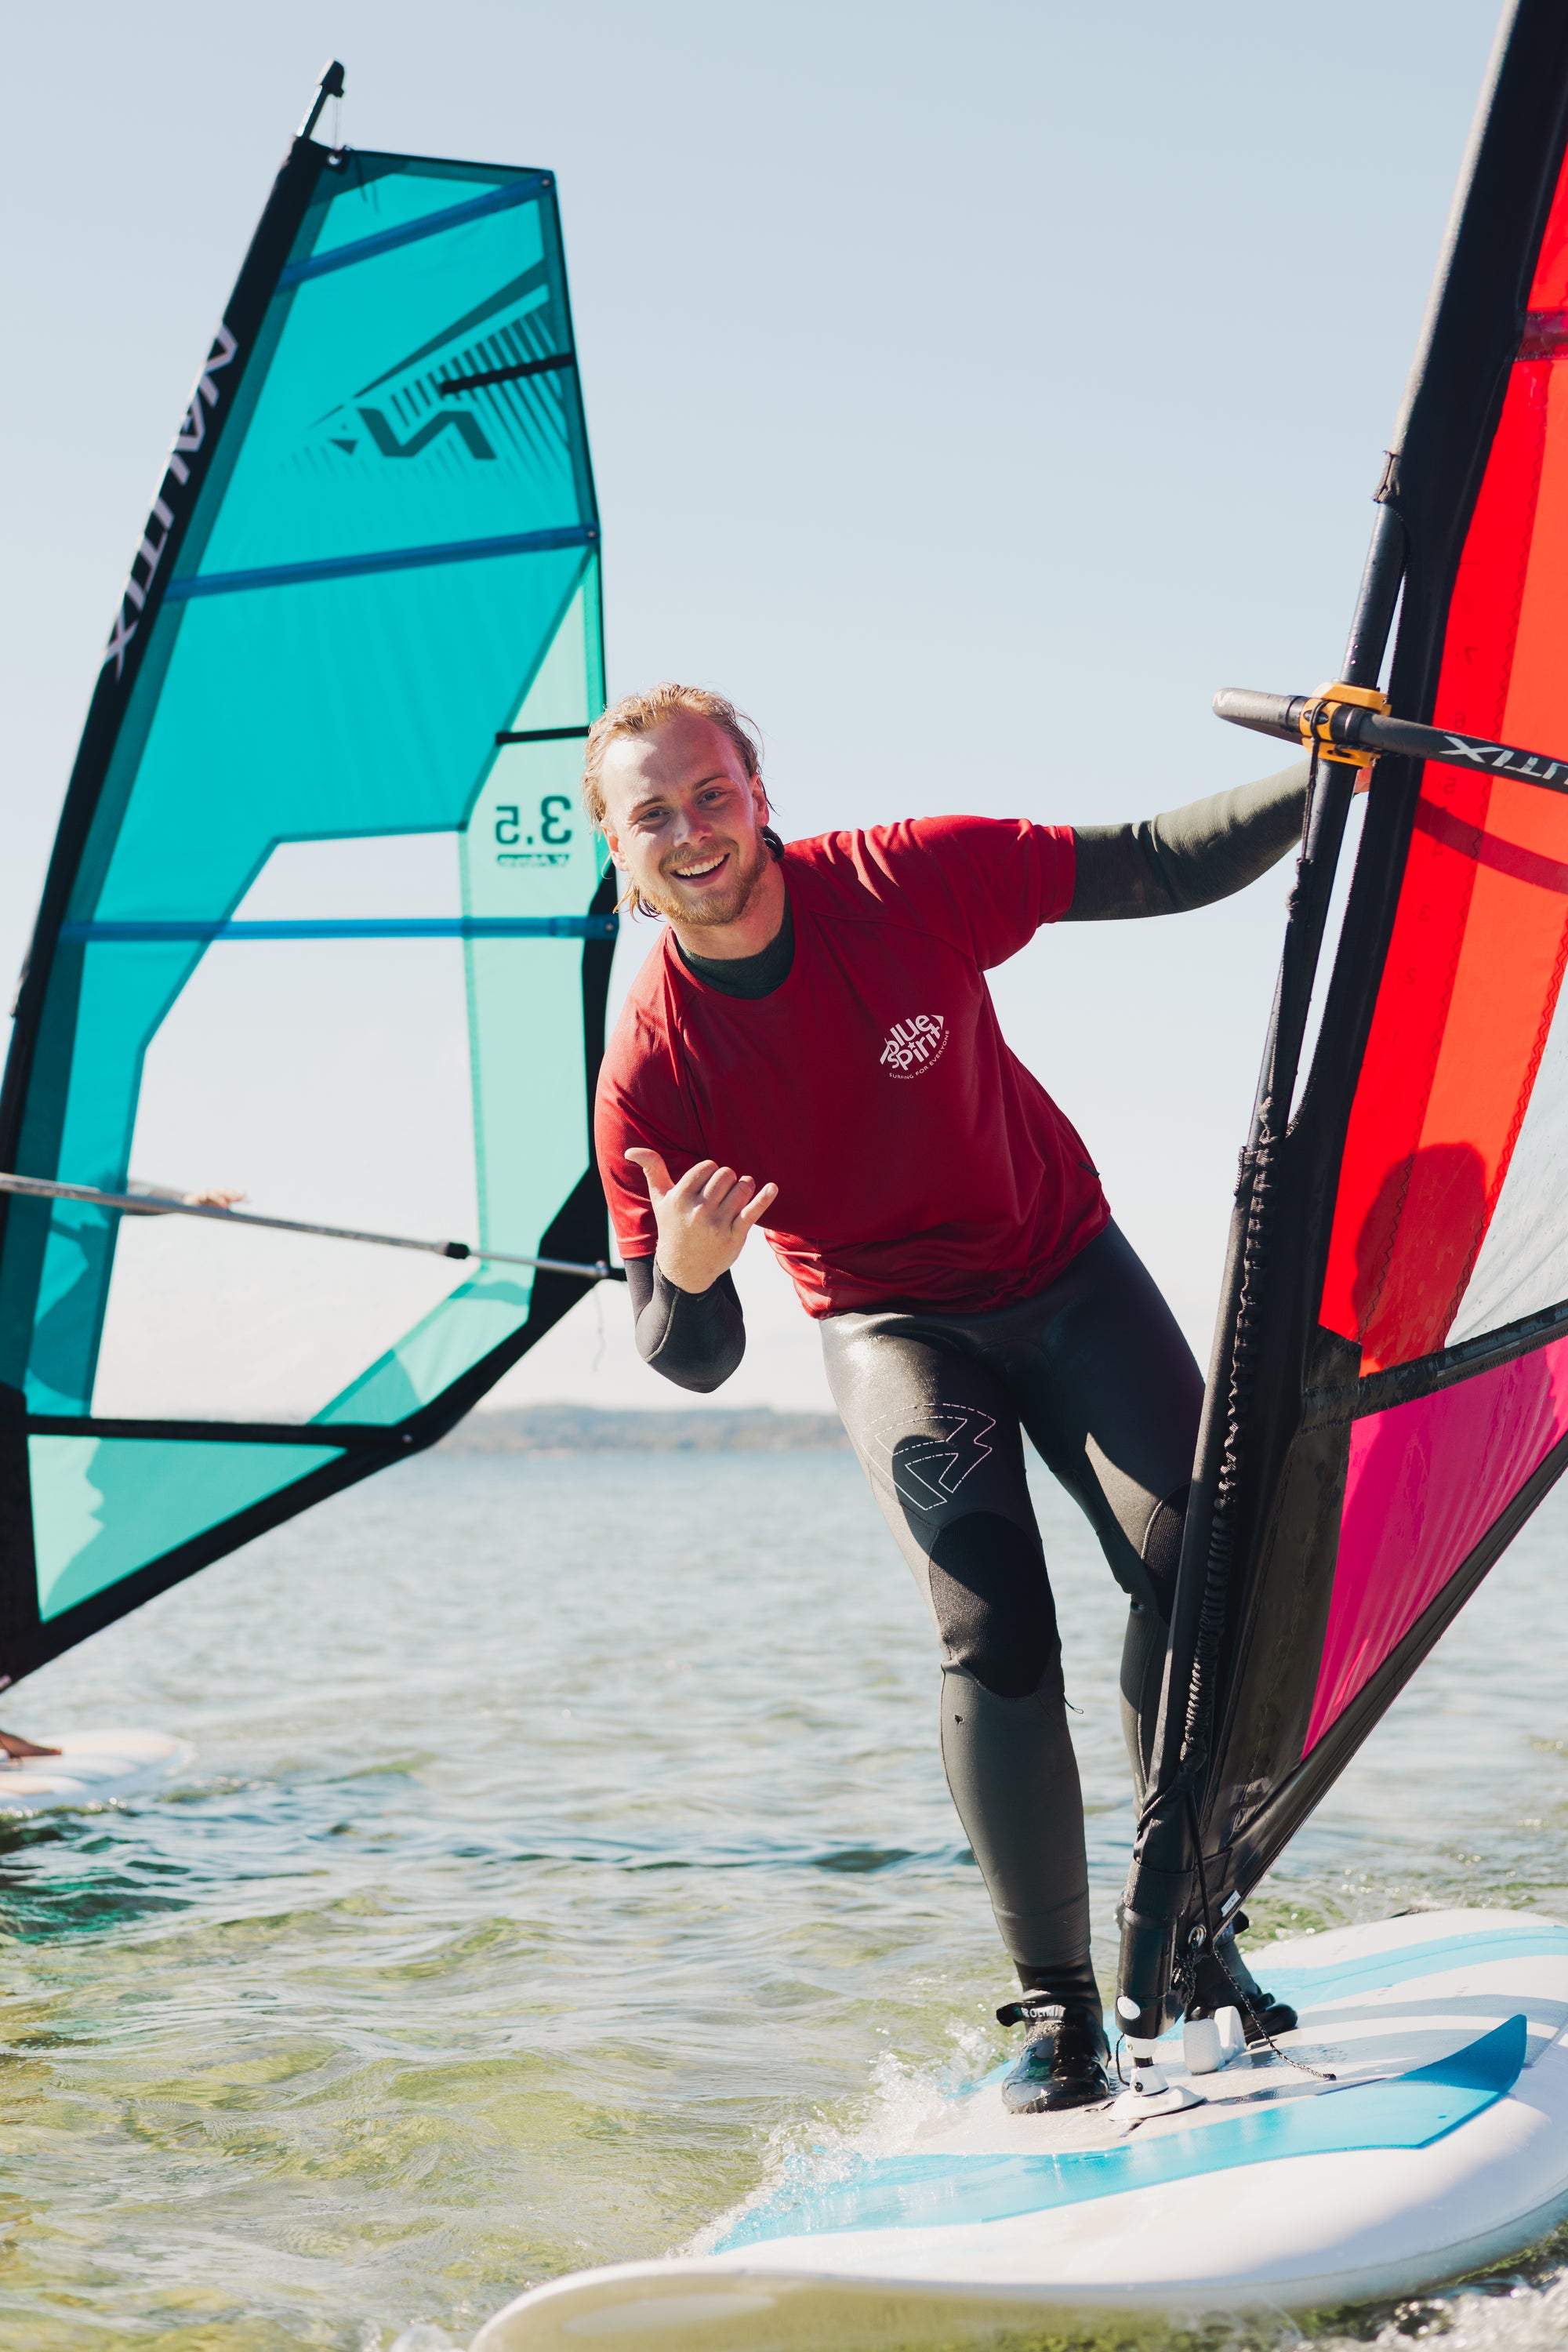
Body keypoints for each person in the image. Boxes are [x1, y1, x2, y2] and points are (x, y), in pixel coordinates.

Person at [590, 682, 1305, 2113]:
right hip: (893, 1325)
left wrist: (1330, 775)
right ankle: (1059, 2013)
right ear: (619, 849)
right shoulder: (651, 1069)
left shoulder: (900, 882)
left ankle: (1186, 1927)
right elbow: (694, 1353)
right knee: (994, 1626)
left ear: (759, 793)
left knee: (1205, 1561)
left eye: (710, 793)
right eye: (651, 813)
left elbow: (1156, 861)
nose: (691, 831)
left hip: (1065, 1271)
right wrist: (690, 1267)